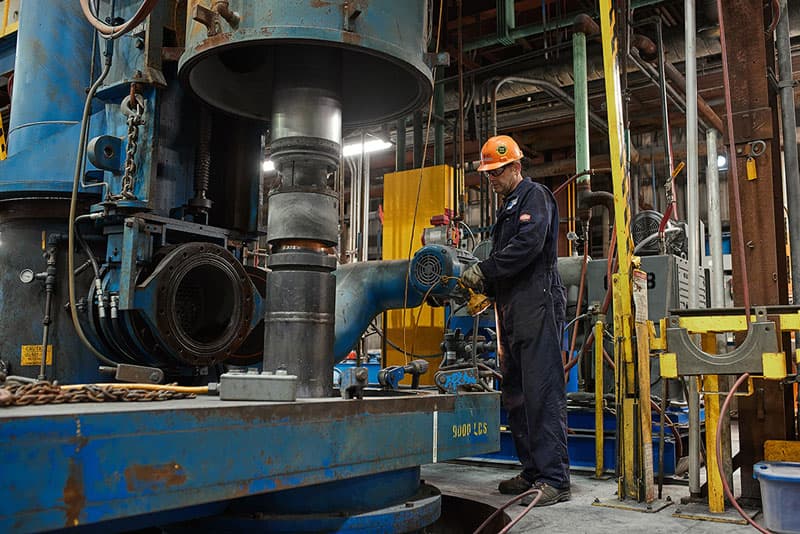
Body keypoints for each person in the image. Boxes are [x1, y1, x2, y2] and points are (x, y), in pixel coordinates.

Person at [460, 135, 570, 506]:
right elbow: (507, 260)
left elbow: (528, 246)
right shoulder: (507, 208)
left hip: (537, 303)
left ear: (516, 167)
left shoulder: (533, 196)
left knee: (542, 391)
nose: (491, 178)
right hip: (511, 308)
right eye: (488, 173)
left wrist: (485, 270)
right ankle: (533, 471)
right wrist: (485, 288)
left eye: (497, 172)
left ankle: (555, 479)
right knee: (517, 394)